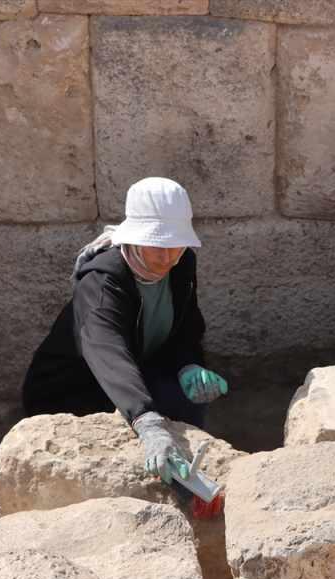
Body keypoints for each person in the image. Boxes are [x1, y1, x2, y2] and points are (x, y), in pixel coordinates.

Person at [22, 177, 228, 484]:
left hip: (141, 372)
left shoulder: (181, 265)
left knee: (186, 401)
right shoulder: (103, 281)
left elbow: (186, 326)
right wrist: (147, 421)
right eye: (158, 245)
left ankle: (193, 488)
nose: (168, 258)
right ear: (135, 236)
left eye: (176, 245)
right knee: (144, 442)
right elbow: (108, 352)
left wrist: (189, 364)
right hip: (76, 390)